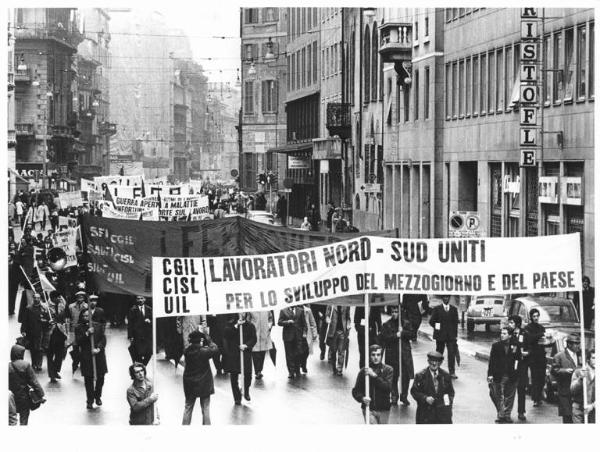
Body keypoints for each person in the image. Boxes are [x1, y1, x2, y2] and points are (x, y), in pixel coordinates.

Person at [379, 305, 414, 406]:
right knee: (393, 377)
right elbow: (384, 338)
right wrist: (396, 336)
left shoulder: (405, 323)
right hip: (392, 355)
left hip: (404, 355)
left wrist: (403, 332)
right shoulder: (387, 325)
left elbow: (412, 334)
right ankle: (394, 396)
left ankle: (404, 396)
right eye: (393, 312)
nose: (395, 314)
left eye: (396, 311)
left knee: (405, 377)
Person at [182, 331, 218, 424]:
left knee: (188, 407)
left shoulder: (186, 351)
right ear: (201, 340)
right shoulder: (204, 351)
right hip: (204, 383)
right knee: (205, 408)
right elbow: (215, 348)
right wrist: (207, 337)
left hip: (190, 383)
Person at [351, 344, 394, 424]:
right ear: (369, 356)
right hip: (369, 409)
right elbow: (355, 391)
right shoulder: (363, 371)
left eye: (378, 355)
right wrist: (362, 398)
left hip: (383, 409)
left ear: (381, 356)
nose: (376, 357)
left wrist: (374, 376)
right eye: (373, 355)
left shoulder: (388, 370)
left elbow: (387, 387)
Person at [410, 351, 455, 424]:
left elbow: (450, 392)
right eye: (432, 361)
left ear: (440, 363)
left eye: (436, 361)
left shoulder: (446, 375)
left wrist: (446, 405)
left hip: (442, 415)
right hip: (426, 414)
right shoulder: (420, 376)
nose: (434, 364)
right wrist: (425, 398)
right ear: (428, 361)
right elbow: (414, 391)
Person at [75, 309, 108, 410]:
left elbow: (103, 339)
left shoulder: (98, 326)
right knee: (88, 380)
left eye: (88, 316)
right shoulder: (79, 327)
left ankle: (97, 396)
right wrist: (87, 334)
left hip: (99, 355)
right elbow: (78, 341)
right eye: (84, 316)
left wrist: (98, 348)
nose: (86, 318)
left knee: (100, 378)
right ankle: (89, 400)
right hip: (87, 356)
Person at [487, 326, 520, 423]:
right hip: (499, 375)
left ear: (509, 335)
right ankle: (501, 414)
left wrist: (517, 372)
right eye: (501, 333)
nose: (502, 335)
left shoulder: (515, 345)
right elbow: (491, 361)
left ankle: (507, 415)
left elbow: (518, 360)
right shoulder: (496, 346)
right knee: (497, 395)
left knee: (509, 396)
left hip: (511, 374)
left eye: (504, 333)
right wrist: (490, 374)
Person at [223, 314, 257, 404]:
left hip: (245, 353)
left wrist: (246, 345)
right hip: (234, 354)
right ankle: (237, 397)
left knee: (248, 375)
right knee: (234, 376)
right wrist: (236, 326)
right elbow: (226, 335)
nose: (242, 314)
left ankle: (246, 390)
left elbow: (254, 339)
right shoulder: (230, 324)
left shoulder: (250, 326)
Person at [8, 344, 45, 425]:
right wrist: (41, 394)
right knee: (24, 418)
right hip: (24, 398)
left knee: (11, 417)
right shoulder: (26, 365)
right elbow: (34, 382)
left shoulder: (8, 366)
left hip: (12, 397)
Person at [551, 334, 581, 423]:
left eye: (578, 343)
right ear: (569, 344)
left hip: (578, 392)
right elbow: (553, 370)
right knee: (567, 418)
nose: (578, 346)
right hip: (565, 391)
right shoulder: (559, 356)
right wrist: (564, 371)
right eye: (576, 344)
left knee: (578, 418)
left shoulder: (580, 354)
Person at [428, 294, 459, 378]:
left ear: (449, 298)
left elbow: (455, 323)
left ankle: (452, 372)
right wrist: (438, 327)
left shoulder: (454, 309)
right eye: (444, 297)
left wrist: (455, 336)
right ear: (442, 298)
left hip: (451, 337)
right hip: (440, 336)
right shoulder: (437, 309)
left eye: (447, 297)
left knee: (451, 354)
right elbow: (431, 321)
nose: (446, 298)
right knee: (438, 354)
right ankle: (436, 370)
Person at [20, 292, 51, 371]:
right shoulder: (29, 308)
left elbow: (48, 320)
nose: (36, 299)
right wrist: (23, 330)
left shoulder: (44, 308)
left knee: (40, 349)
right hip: (31, 332)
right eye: (35, 298)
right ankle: (34, 363)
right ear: (33, 298)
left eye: (38, 298)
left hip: (41, 332)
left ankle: (39, 364)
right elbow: (25, 320)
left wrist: (46, 321)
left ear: (40, 299)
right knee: (33, 349)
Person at [507, 314, 529, 421]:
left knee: (521, 389)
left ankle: (521, 412)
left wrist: (527, 353)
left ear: (517, 324)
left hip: (522, 365)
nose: (509, 325)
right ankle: (506, 412)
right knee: (509, 390)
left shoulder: (524, 334)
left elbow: (530, 348)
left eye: (511, 323)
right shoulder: (507, 333)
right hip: (511, 365)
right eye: (509, 322)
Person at [524, 308, 546, 406]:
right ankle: (535, 399)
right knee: (535, 377)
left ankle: (539, 397)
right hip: (533, 356)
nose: (536, 318)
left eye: (537, 316)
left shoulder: (541, 327)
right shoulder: (528, 328)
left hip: (541, 355)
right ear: (531, 317)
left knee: (541, 377)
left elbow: (544, 341)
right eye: (534, 316)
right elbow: (530, 339)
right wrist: (541, 335)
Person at [278, 305, 306, 379]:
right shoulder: (283, 310)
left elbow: (304, 323)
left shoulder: (300, 310)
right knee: (289, 355)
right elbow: (279, 322)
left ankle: (297, 369)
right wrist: (287, 322)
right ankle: (291, 372)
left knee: (298, 353)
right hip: (288, 336)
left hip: (298, 336)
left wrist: (304, 333)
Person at [46, 291, 68, 382]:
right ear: (53, 298)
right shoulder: (46, 307)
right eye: (58, 297)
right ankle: (52, 374)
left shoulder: (62, 305)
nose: (60, 299)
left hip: (61, 332)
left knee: (60, 354)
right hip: (50, 333)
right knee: (50, 355)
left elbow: (66, 316)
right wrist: (48, 321)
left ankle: (55, 370)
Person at [325, 304, 351, 376]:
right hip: (333, 331)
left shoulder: (346, 304)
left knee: (341, 351)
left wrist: (348, 324)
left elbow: (348, 317)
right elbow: (327, 315)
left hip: (343, 331)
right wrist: (327, 319)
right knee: (333, 350)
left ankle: (339, 369)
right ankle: (334, 367)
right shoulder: (331, 304)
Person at [248, 310, 275, 380]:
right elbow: (248, 320)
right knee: (255, 353)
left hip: (264, 333)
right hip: (255, 333)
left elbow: (270, 318)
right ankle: (258, 371)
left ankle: (260, 369)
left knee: (262, 353)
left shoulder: (266, 310)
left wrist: (269, 327)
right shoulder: (252, 310)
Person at [127, 295, 153, 366]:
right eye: (138, 299)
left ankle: (143, 366)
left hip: (147, 335)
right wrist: (130, 336)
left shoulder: (149, 309)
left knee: (149, 352)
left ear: (145, 299)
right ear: (136, 300)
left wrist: (149, 321)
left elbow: (153, 321)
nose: (140, 300)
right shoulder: (133, 310)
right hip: (137, 335)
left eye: (142, 298)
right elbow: (130, 324)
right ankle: (139, 368)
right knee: (137, 353)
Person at [571, 349, 595, 423]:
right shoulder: (579, 371)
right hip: (579, 410)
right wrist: (580, 379)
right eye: (593, 358)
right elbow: (572, 390)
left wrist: (593, 406)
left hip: (594, 410)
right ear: (588, 359)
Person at [354, 305, 382, 369]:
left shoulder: (375, 306)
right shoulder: (360, 306)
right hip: (362, 335)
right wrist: (362, 331)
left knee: (372, 353)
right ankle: (362, 372)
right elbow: (356, 322)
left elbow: (378, 320)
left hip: (372, 334)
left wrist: (379, 331)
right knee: (363, 354)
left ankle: (371, 371)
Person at [66, 291, 88, 373]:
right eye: (79, 296)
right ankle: (75, 360)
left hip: (83, 329)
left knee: (83, 346)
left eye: (82, 296)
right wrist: (67, 330)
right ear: (76, 297)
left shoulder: (87, 306)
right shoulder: (71, 306)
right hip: (73, 330)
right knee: (74, 347)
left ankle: (82, 362)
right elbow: (68, 319)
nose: (80, 298)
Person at [299, 305, 318, 374]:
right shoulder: (294, 309)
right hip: (298, 333)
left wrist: (314, 333)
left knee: (306, 351)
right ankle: (299, 364)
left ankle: (303, 364)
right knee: (299, 350)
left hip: (307, 333)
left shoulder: (308, 310)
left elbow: (312, 322)